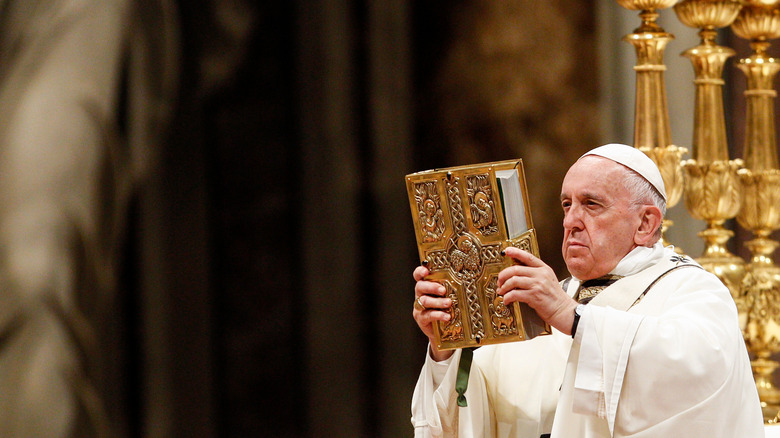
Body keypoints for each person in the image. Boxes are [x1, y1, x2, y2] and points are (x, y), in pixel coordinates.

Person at [410, 143, 764, 437]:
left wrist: (572, 318)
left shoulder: (691, 289)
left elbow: (696, 372)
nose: (570, 221)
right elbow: (469, 411)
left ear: (646, 223)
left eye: (591, 204)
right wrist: (446, 347)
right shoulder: (538, 305)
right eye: (567, 205)